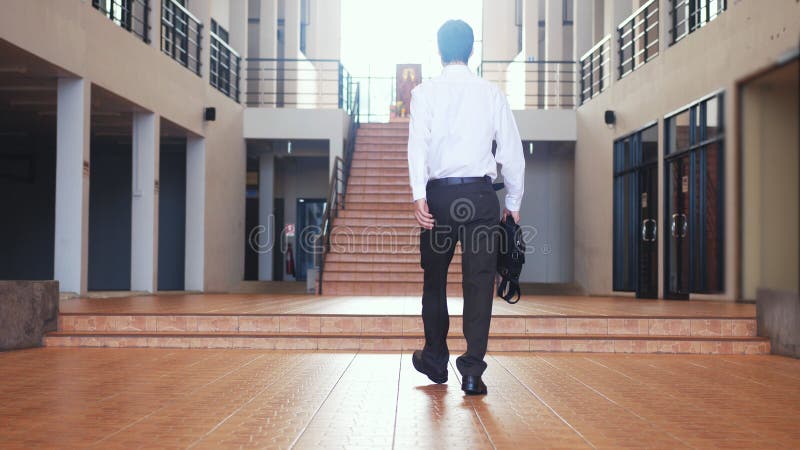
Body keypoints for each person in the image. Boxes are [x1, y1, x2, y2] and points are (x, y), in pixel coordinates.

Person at [407, 19, 525, 396]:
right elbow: (512, 153)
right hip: (480, 197)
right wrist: (514, 203)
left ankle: (436, 359)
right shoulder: (491, 93)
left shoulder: (424, 93)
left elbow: (417, 148)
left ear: (439, 51)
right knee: (479, 283)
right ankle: (473, 371)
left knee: (434, 279)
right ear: (472, 50)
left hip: (439, 198)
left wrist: (417, 194)